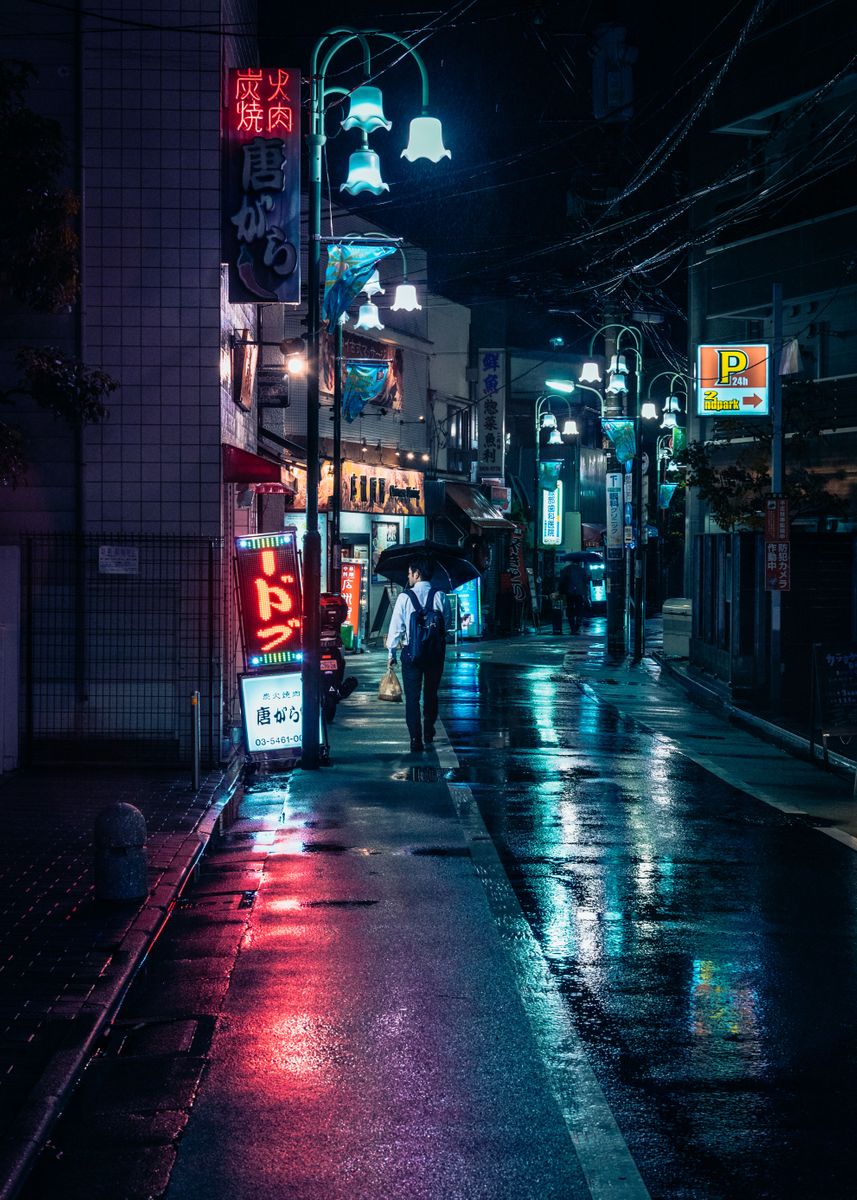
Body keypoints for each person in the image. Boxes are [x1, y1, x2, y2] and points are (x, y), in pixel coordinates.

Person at [386, 555, 448, 752]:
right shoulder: (441, 596)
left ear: (417, 573)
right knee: (431, 694)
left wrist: (391, 654)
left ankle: (415, 739)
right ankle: (429, 730)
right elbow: (445, 625)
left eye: (410, 573)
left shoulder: (405, 597)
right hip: (435, 654)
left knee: (412, 698)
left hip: (411, 655)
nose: (408, 577)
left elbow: (396, 628)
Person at [558, 558, 588, 634]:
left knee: (570, 609)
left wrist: (561, 591)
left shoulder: (566, 569)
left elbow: (562, 581)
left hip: (569, 592)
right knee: (579, 608)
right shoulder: (582, 570)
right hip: (580, 593)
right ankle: (578, 622)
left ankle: (572, 627)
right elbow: (585, 581)